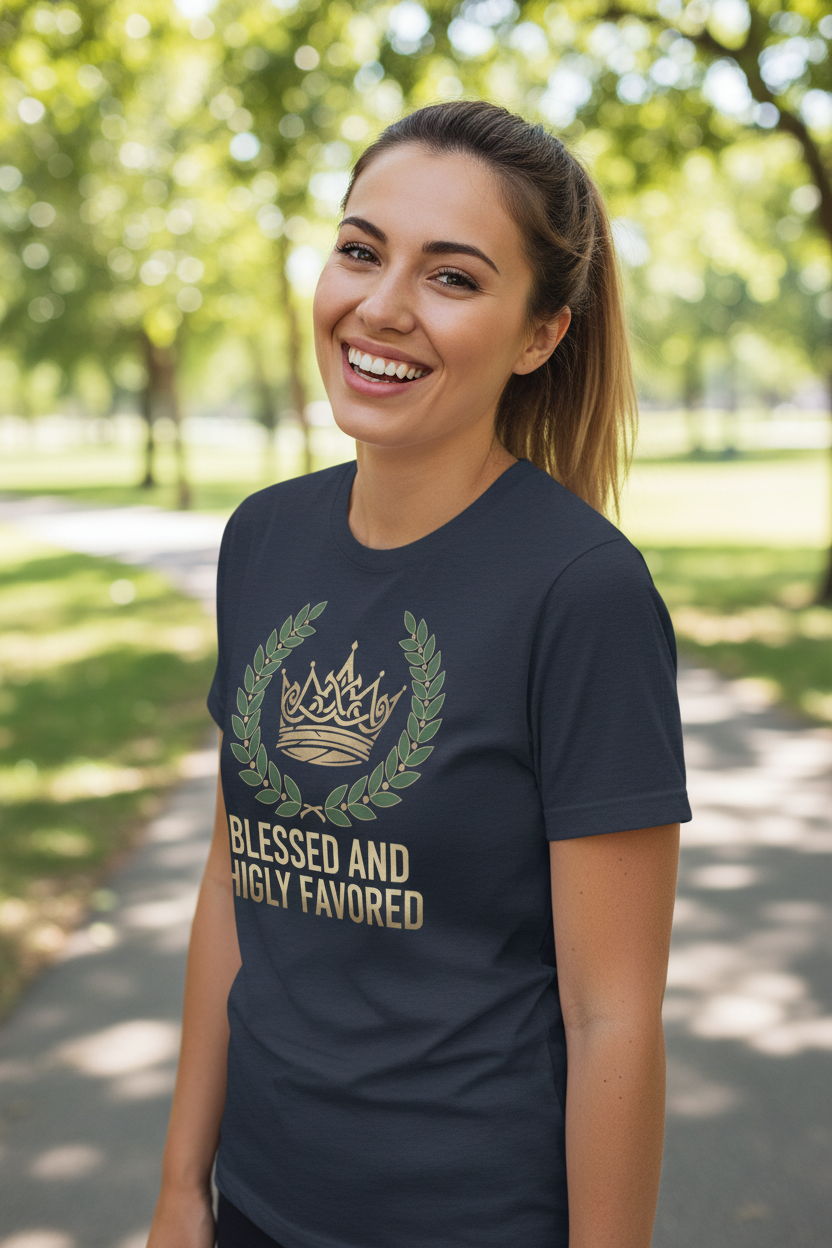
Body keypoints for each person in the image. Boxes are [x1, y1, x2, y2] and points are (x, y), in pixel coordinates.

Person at [147, 100, 691, 1248]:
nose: (380, 306)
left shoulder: (581, 590)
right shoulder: (262, 540)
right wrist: (179, 1189)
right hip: (256, 1200)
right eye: (360, 250)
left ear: (540, 334)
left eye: (451, 277)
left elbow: (612, 1020)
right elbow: (231, 886)